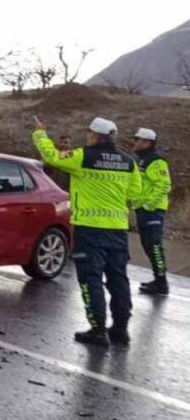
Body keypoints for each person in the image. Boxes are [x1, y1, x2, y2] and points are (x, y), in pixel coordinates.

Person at [34, 116, 141, 346]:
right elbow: (135, 193)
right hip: (118, 229)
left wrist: (40, 133)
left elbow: (51, 156)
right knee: (118, 279)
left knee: (91, 278)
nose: (87, 135)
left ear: (96, 135)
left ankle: (97, 329)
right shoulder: (128, 161)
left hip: (90, 228)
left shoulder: (84, 156)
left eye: (89, 132)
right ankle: (121, 329)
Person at [131, 128, 172, 296]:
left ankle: (162, 283)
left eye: (138, 140)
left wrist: (149, 205)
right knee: (148, 246)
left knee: (154, 246)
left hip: (153, 211)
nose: (135, 142)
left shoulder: (156, 161)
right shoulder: (141, 159)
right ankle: (158, 280)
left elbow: (164, 185)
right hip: (142, 209)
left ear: (147, 142)